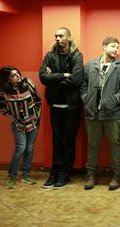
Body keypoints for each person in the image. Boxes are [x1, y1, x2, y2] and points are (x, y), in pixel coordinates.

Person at [81, 36, 120, 191]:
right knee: (93, 144)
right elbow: (83, 84)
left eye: (117, 47)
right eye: (112, 46)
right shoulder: (90, 65)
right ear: (104, 46)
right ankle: (91, 174)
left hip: (113, 113)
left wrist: (113, 100)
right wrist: (86, 98)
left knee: (115, 144)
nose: (115, 49)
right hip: (92, 112)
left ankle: (117, 175)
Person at [39, 27, 84, 189]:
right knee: (56, 139)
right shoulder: (50, 55)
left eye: (61, 36)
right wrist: (63, 75)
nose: (58, 38)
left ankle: (65, 173)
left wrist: (54, 78)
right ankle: (55, 171)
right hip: (55, 105)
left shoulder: (76, 55)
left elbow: (77, 79)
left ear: (69, 38)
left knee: (68, 140)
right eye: (56, 36)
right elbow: (43, 77)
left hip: (71, 106)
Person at [0, 66, 42, 189]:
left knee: (30, 148)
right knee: (20, 148)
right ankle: (12, 176)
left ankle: (26, 175)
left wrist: (37, 115)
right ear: (7, 79)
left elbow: (38, 99)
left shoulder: (28, 83)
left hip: (32, 121)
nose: (17, 76)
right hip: (18, 123)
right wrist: (9, 115)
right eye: (13, 75)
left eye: (17, 74)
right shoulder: (2, 90)